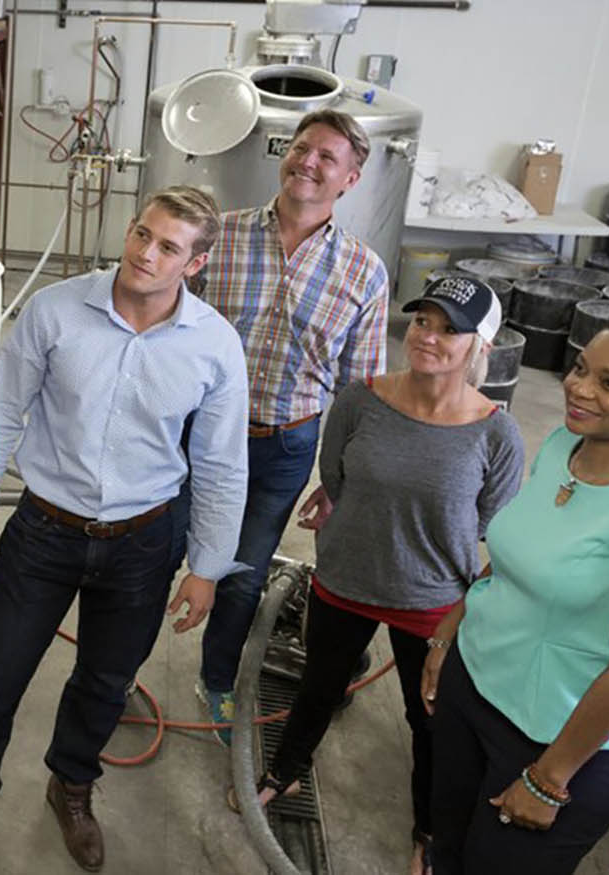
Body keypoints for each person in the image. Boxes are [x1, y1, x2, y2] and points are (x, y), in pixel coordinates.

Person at [0, 187, 248, 874]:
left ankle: (72, 784)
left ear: (196, 263)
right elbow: (0, 413)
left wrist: (207, 566)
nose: (144, 253)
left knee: (105, 682)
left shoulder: (214, 345)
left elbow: (220, 462)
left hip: (143, 540)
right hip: (45, 529)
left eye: (166, 247)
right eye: (140, 233)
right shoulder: (56, 310)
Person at [421, 306, 609, 874]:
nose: (579, 389)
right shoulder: (563, 446)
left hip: (554, 742)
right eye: (581, 369)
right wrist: (448, 634)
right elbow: (514, 557)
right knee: (448, 848)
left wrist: (551, 779)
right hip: (474, 686)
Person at [254, 275, 524, 875]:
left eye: (449, 328)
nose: (428, 337)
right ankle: (286, 771)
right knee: (318, 688)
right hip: (346, 578)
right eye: (423, 321)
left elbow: (492, 525)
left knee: (427, 719)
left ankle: (429, 829)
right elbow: (339, 478)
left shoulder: (496, 432)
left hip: (431, 599)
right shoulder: (361, 399)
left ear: (479, 344)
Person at [195, 108, 391, 736]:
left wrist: (338, 480)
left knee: (242, 574)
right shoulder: (217, 235)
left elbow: (359, 392)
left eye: (326, 157)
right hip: (195, 432)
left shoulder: (364, 271)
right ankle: (113, 677)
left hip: (284, 444)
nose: (308, 162)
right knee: (153, 556)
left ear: (351, 179)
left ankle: (217, 680)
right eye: (302, 148)